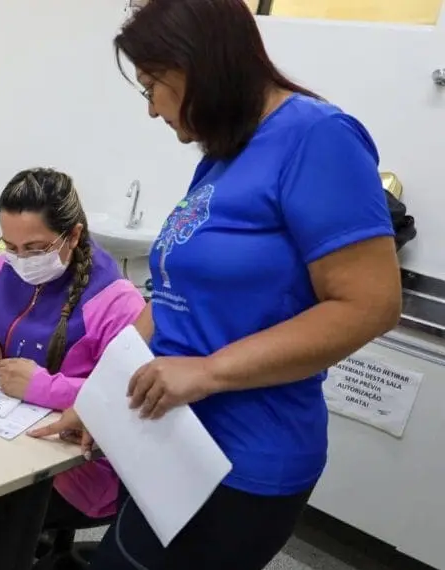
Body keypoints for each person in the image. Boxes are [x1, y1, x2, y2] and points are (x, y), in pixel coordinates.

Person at [30, 1, 403, 568]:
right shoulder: (224, 158)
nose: (152, 108)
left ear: (195, 64)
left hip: (241, 457)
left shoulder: (318, 137)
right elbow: (174, 302)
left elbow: (370, 305)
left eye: (152, 85)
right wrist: (103, 399)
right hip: (165, 437)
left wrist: (208, 372)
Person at [0, 167, 146, 527]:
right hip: (2, 427)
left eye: (35, 248)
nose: (21, 260)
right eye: (11, 247)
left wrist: (42, 387)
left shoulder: (115, 300)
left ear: (73, 235)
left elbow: (132, 393)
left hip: (77, 461)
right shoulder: (5, 268)